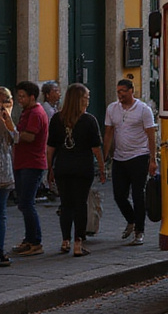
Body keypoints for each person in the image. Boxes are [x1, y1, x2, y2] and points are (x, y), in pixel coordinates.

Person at [46, 84, 106, 257]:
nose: (88, 100)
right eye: (86, 97)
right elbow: (96, 149)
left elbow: (50, 148)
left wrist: (50, 169)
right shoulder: (89, 120)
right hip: (82, 167)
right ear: (80, 99)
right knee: (80, 205)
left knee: (66, 205)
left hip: (63, 166)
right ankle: (78, 243)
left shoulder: (57, 119)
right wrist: (102, 169)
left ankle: (65, 241)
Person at [103, 79, 157, 246]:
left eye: (123, 91)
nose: (120, 95)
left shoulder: (143, 110)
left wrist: (152, 160)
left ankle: (139, 231)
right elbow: (109, 133)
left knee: (138, 195)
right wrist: (104, 158)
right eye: (118, 91)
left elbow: (151, 135)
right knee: (119, 195)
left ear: (132, 91)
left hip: (139, 156)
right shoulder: (112, 108)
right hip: (119, 157)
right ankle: (131, 219)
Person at [11, 80, 47, 256]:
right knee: (23, 203)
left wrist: (12, 132)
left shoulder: (36, 113)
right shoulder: (27, 111)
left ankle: (36, 241)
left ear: (32, 97)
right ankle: (29, 238)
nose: (19, 99)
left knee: (27, 203)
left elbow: (30, 137)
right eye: (18, 96)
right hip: (23, 162)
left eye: (22, 96)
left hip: (32, 164)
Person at [0, 87, 17, 267]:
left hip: (4, 173)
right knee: (1, 214)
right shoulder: (5, 120)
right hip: (3, 173)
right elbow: (15, 138)